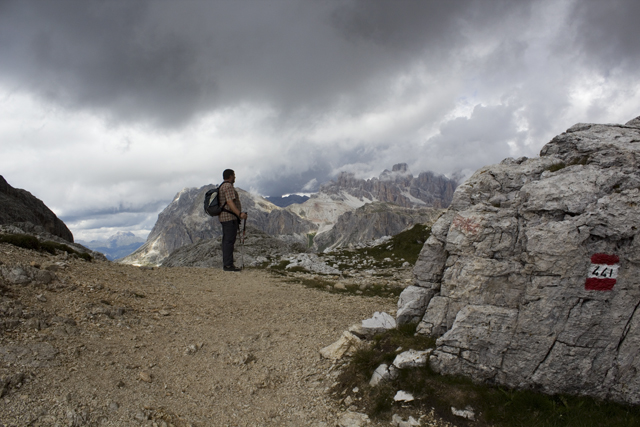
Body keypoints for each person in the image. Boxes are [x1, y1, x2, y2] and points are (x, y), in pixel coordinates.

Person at [218, 169, 248, 272]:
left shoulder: (222, 186)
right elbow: (230, 202)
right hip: (229, 218)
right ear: (230, 176)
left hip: (225, 218)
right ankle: (228, 265)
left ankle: (228, 264)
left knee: (227, 241)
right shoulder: (228, 186)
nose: (235, 177)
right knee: (229, 241)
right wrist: (239, 214)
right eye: (234, 175)